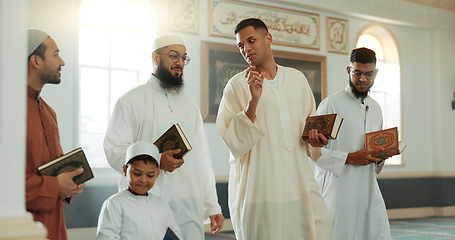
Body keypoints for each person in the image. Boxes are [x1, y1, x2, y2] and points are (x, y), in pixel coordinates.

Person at [216, 18, 332, 240]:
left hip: (300, 186)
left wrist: (317, 140)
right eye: (241, 45)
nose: (246, 49)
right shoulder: (237, 85)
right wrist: (253, 101)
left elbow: (310, 130)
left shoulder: (297, 79)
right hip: (261, 191)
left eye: (251, 41)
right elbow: (233, 141)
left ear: (268, 39)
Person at [104, 34, 224, 239]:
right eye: (174, 56)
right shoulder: (131, 101)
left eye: (184, 58)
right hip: (144, 205)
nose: (180, 63)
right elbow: (114, 150)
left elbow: (202, 161)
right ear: (156, 58)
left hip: (188, 205)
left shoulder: (189, 106)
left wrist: (212, 205)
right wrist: (157, 161)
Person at [311, 47, 392, 240]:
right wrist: (350, 158)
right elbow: (313, 153)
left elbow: (375, 154)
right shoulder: (330, 104)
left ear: (375, 73)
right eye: (358, 73)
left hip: (368, 190)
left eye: (368, 74)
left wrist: (381, 158)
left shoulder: (376, 109)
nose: (363, 79)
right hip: (338, 193)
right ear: (349, 71)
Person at [25, 29, 85, 240]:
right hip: (22, 228)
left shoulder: (49, 112)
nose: (62, 62)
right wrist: (54, 186)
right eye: (56, 54)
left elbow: (51, 172)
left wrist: (68, 183)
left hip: (55, 225)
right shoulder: (8, 110)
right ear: (36, 61)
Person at [97, 141, 181, 239]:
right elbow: (106, 237)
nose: (143, 180)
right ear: (125, 170)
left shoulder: (161, 204)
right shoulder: (115, 204)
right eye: (137, 174)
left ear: (157, 174)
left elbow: (175, 233)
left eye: (150, 175)